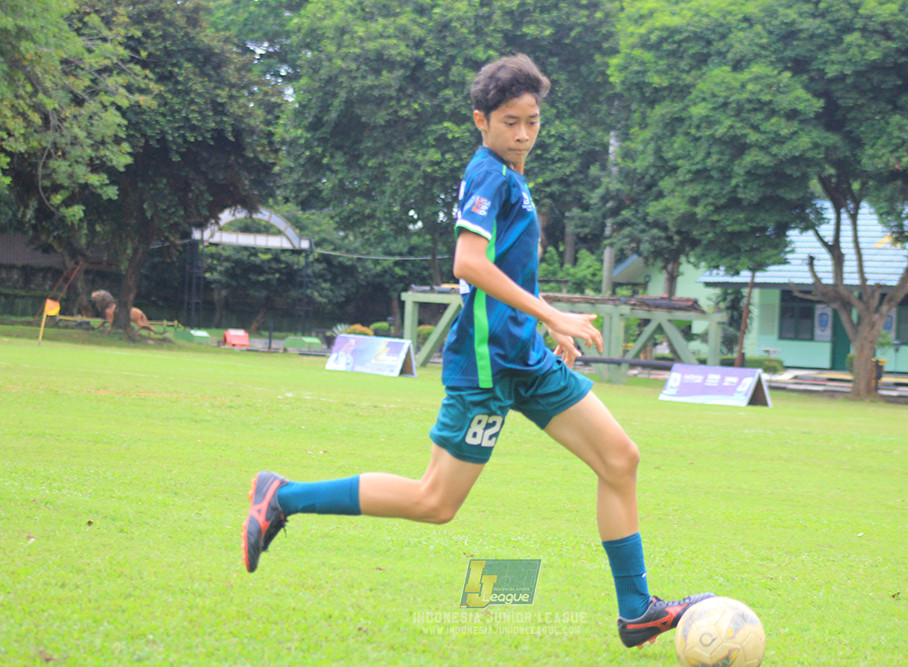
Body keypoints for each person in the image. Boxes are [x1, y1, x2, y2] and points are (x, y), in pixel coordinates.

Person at [241, 53, 712, 648]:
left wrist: (550, 330)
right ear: (481, 121)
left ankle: (636, 610)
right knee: (435, 501)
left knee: (620, 459)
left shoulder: (512, 178)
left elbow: (511, 269)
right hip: (488, 367)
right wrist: (553, 314)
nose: (523, 134)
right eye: (510, 121)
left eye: (533, 121)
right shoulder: (489, 174)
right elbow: (470, 263)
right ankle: (282, 497)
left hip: (528, 359)